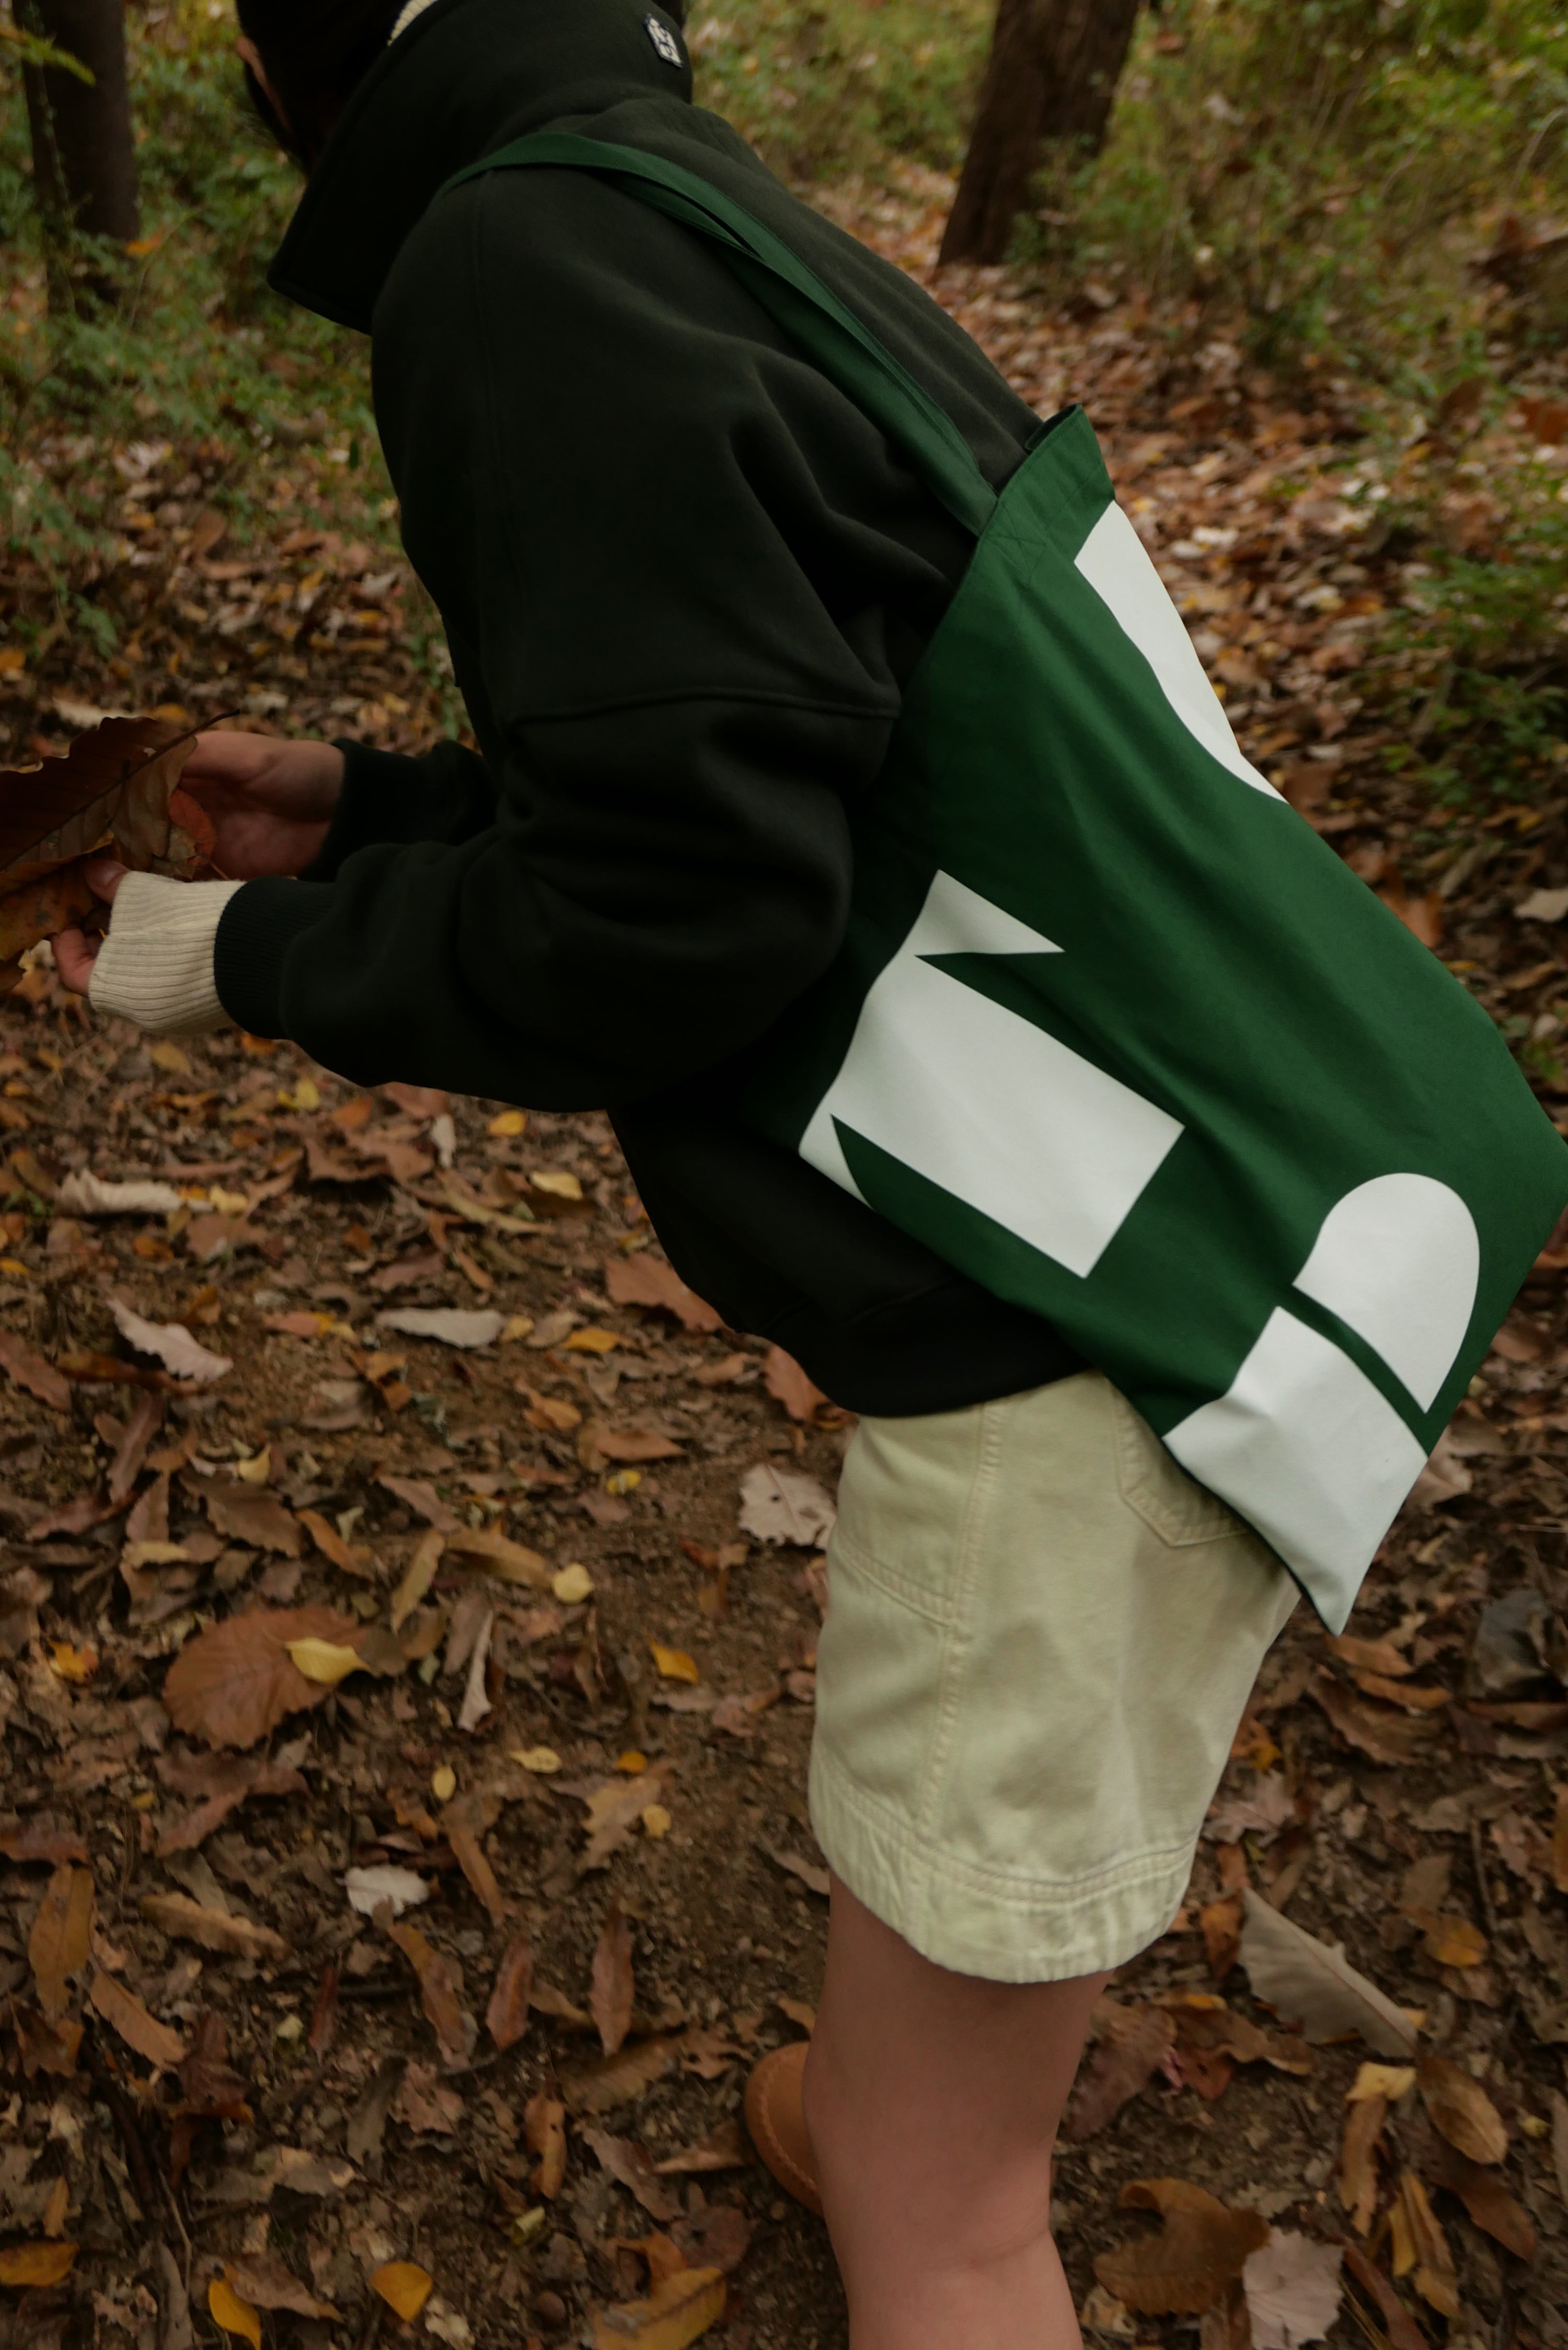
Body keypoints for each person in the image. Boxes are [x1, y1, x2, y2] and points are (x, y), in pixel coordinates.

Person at [54, 3, 1298, 2342]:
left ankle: (921, 2174)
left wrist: (239, 948)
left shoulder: (511, 260)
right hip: (1203, 1193)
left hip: (1077, 1322)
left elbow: (676, 916)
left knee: (954, 2230)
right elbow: (790, 748)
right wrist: (377, 811)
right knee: (937, 2038)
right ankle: (881, 2093)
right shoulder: (672, 205)